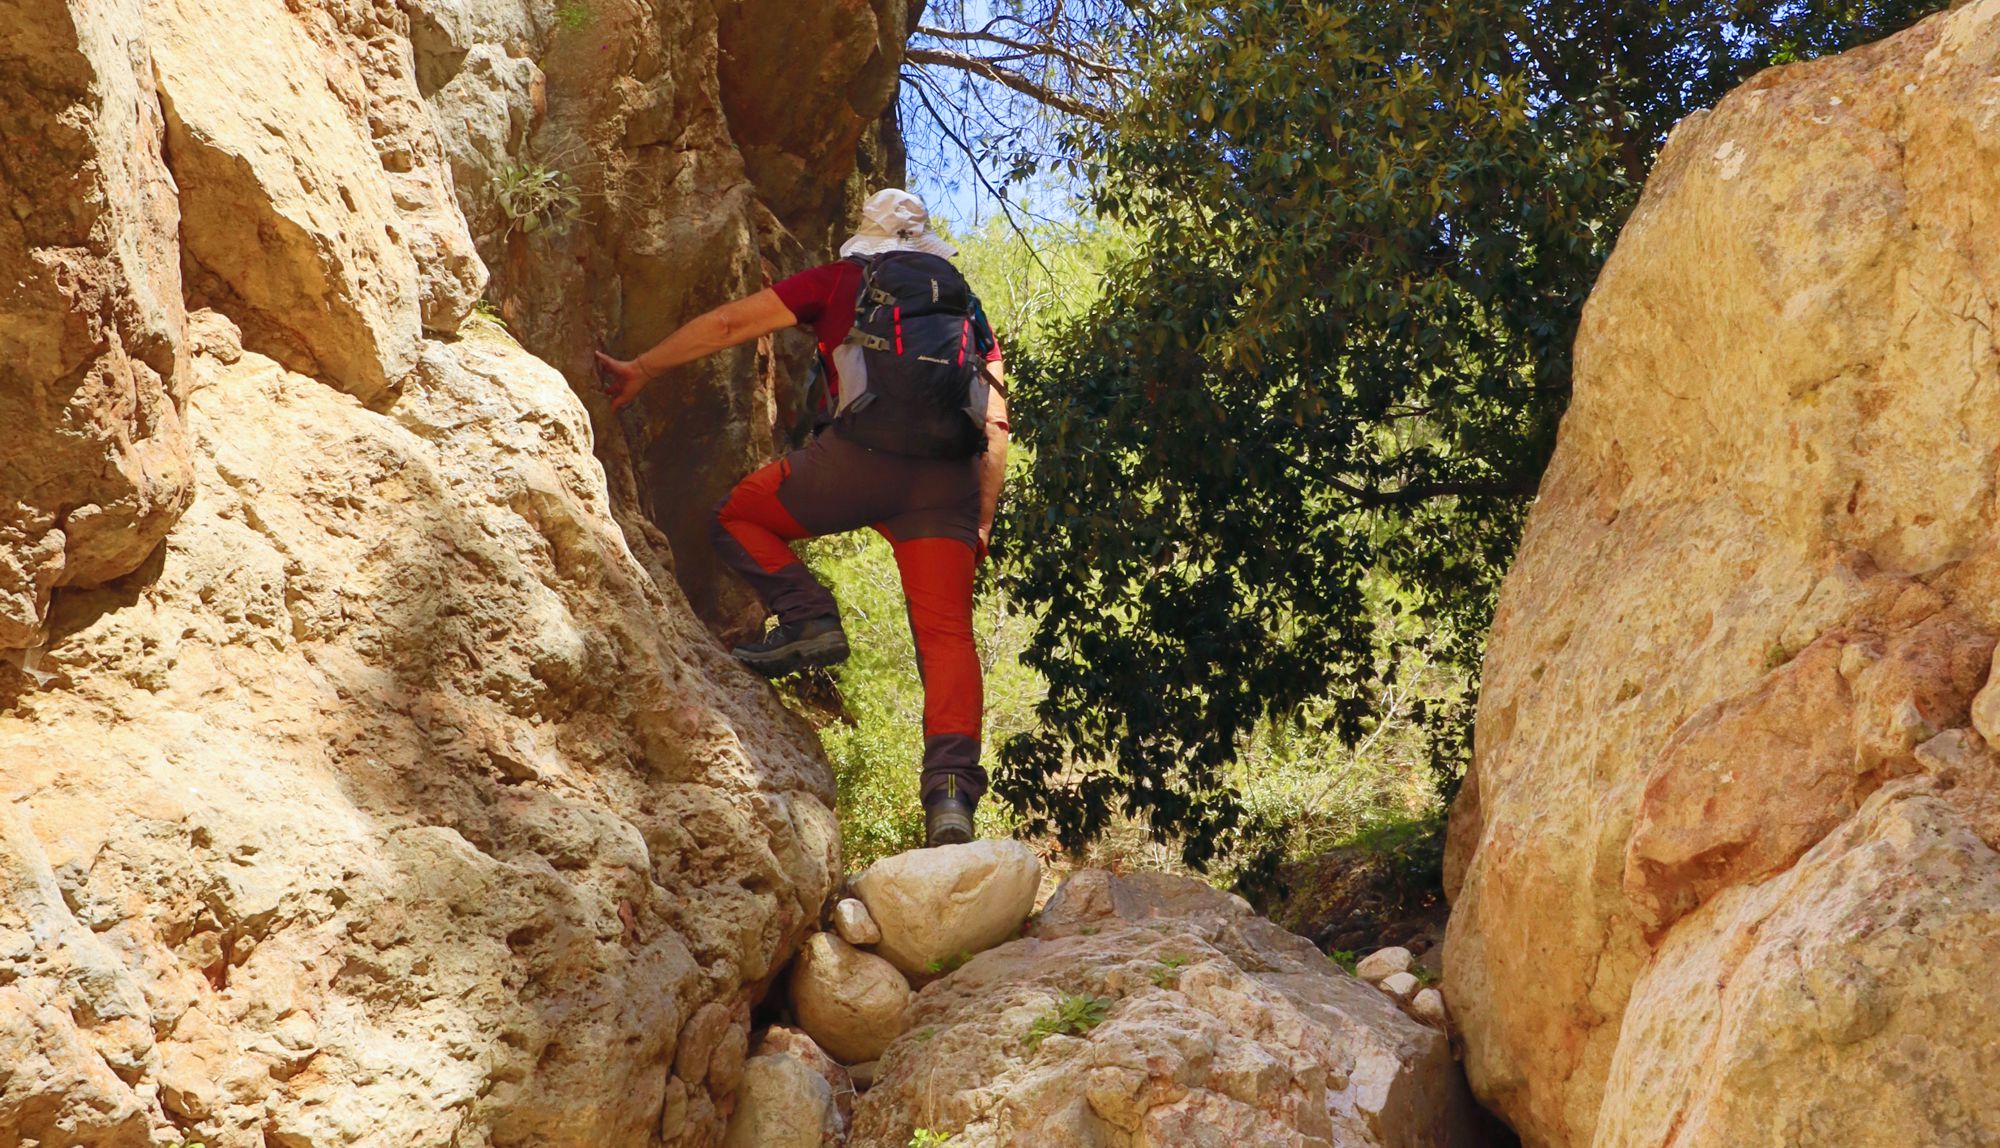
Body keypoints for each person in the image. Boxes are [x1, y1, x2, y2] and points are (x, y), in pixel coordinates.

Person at [594, 188, 1008, 847]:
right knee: (947, 637)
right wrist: (979, 516)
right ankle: (951, 800)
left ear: (868, 241)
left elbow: (732, 325)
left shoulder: (846, 279)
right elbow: (995, 416)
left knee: (738, 517)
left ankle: (811, 617)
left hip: (860, 461)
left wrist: (643, 367)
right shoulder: (964, 306)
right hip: (947, 485)